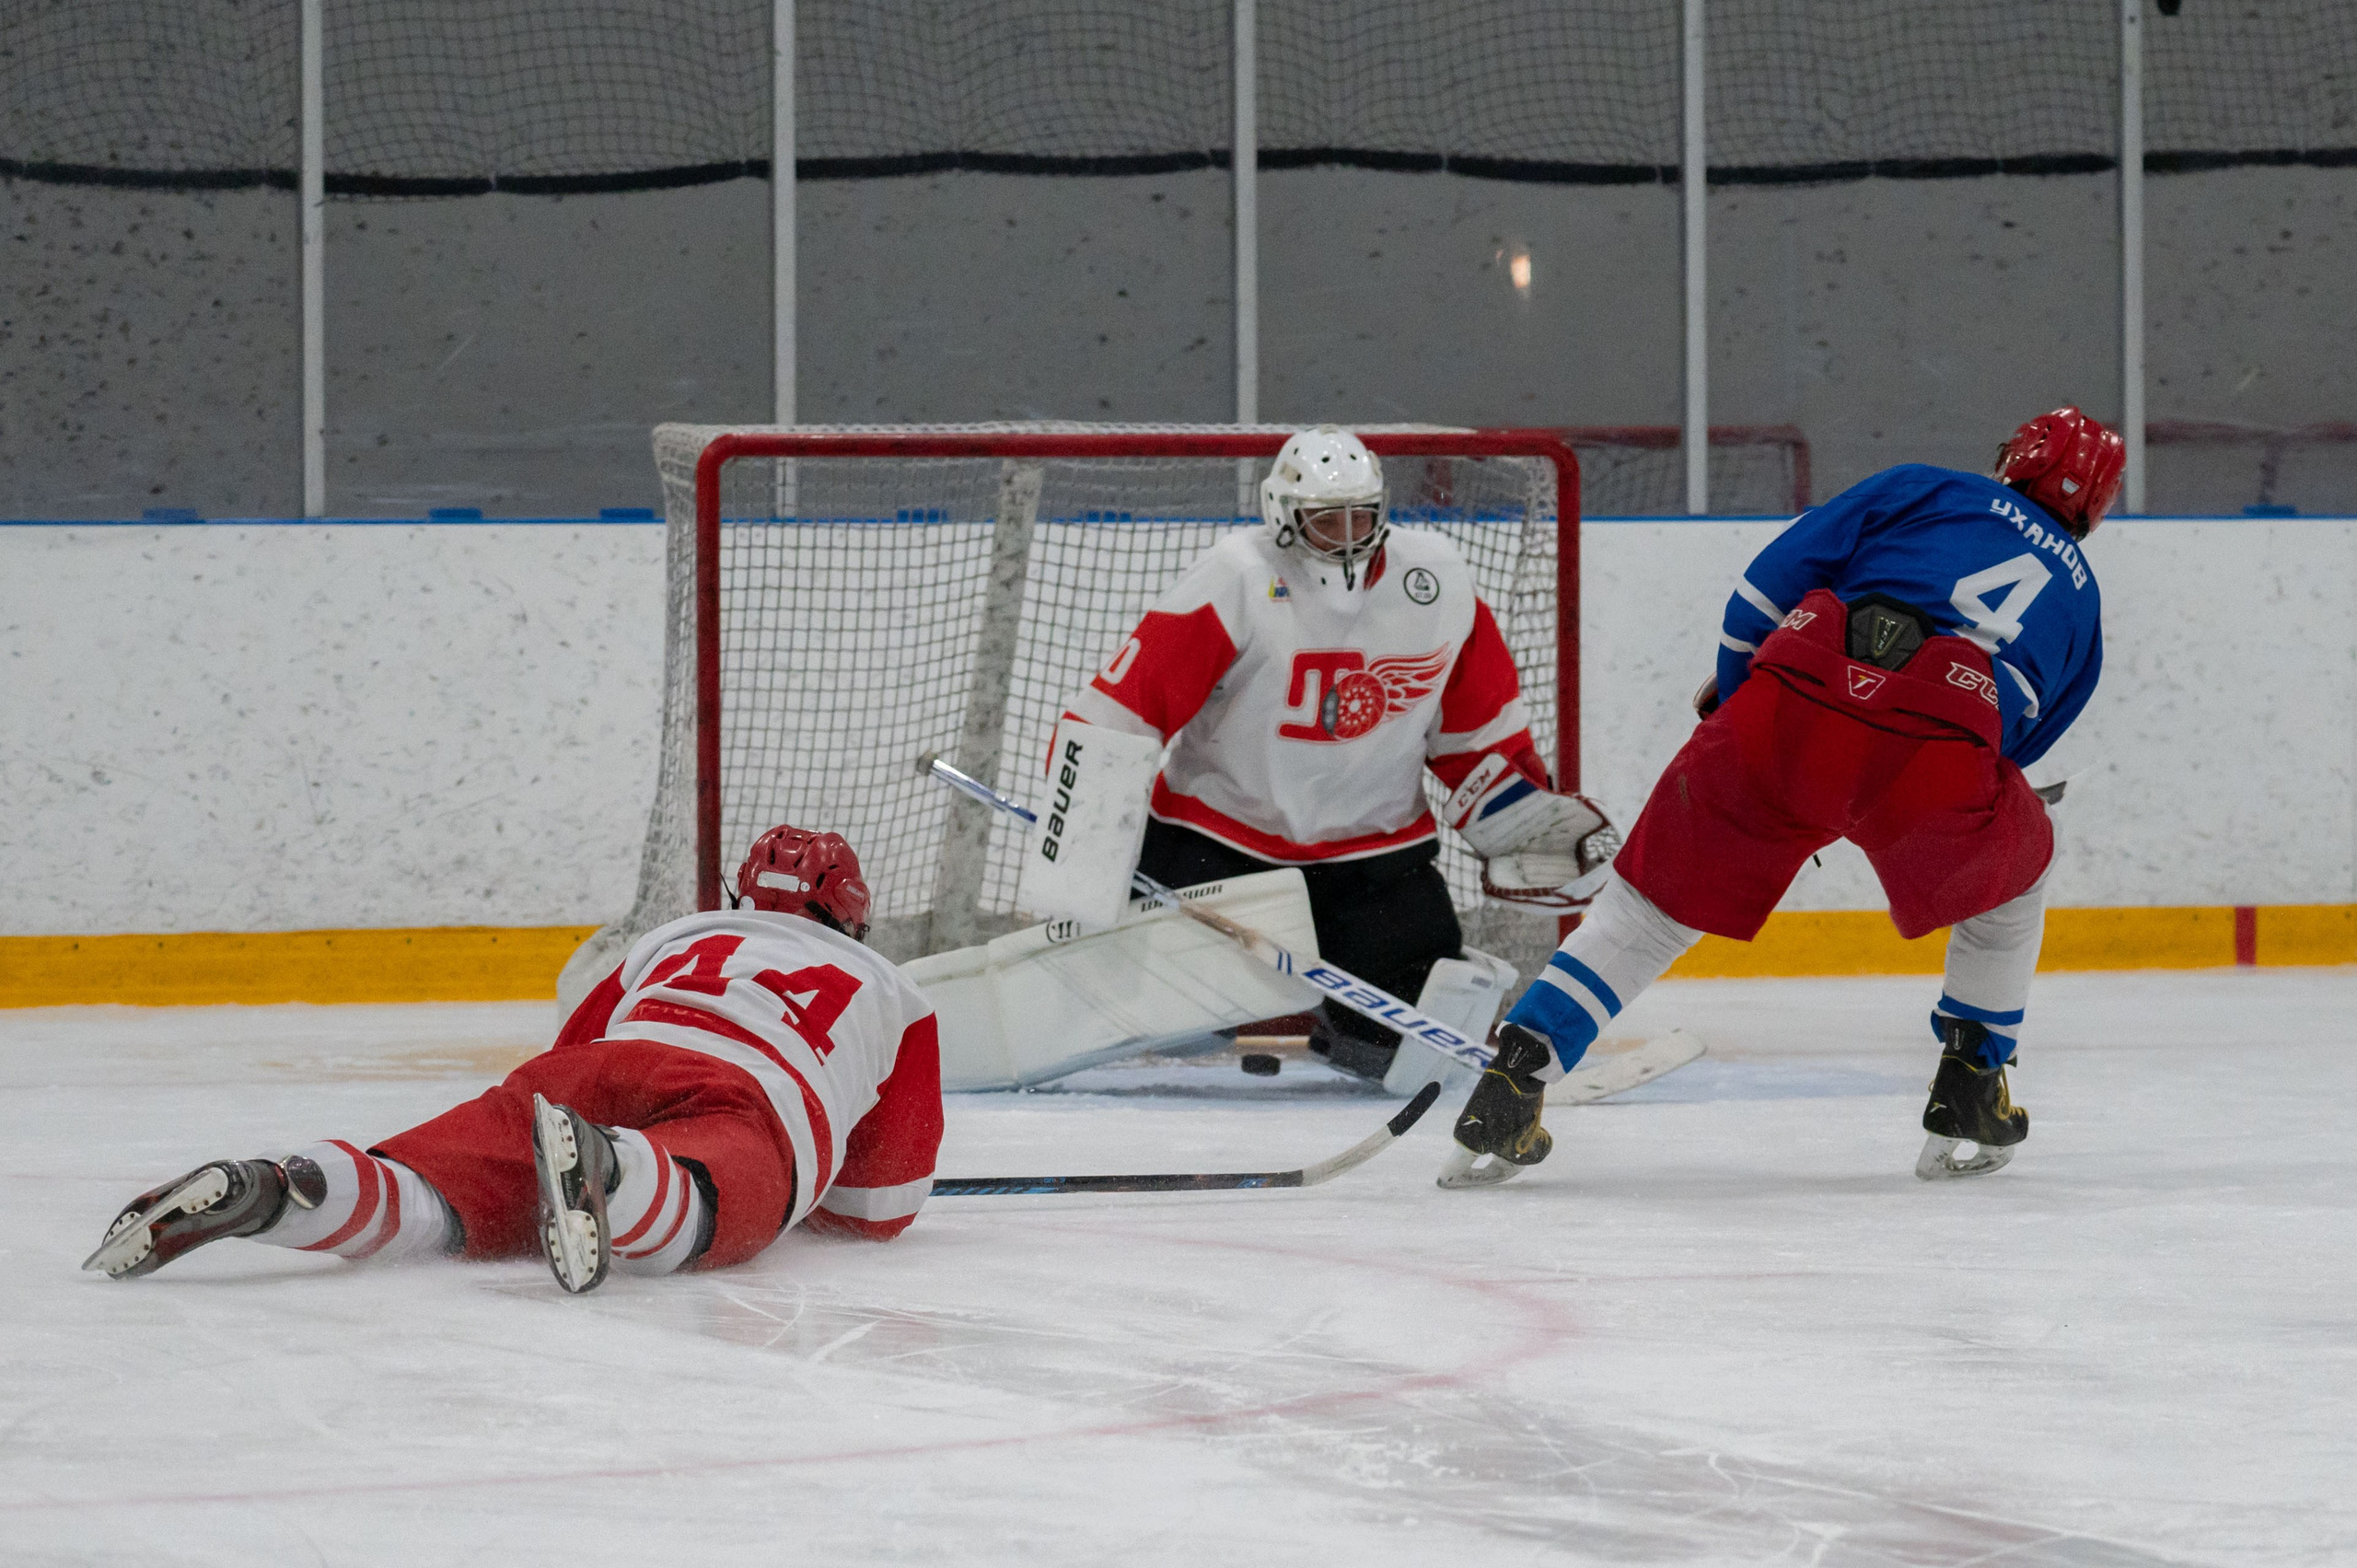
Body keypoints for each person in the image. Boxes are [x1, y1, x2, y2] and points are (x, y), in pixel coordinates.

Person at [1454, 406, 2122, 1179]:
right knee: (2014, 882)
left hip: (1791, 703)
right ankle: (1973, 1079)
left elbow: (1764, 587)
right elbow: (2017, 746)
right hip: (1939, 755)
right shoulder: (2083, 601)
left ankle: (1514, 1079)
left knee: (1649, 910)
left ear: (2016, 457)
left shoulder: (1923, 487)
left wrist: (1741, 696)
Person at [85, 825, 942, 1293]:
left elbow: (566, 1072)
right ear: (852, 916)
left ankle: (283, 1189)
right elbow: (879, 1207)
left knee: (433, 1196)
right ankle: (620, 1172)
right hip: (743, 1094)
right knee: (715, 1193)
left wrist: (552, 1136)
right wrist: (797, 1191)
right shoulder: (891, 986)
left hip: (592, 1068)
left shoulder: (675, 937)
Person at [1059, 425, 1619, 1081]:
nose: (1350, 534)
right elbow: (1124, 711)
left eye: (1364, 515)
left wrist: (1514, 815)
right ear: (1284, 515)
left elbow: (1477, 732)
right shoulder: (1236, 575)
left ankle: (1348, 1023)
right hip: (1218, 847)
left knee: (1407, 1047)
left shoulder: (1435, 581)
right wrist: (1086, 845)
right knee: (1159, 1026)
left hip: (1373, 857)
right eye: (1328, 520)